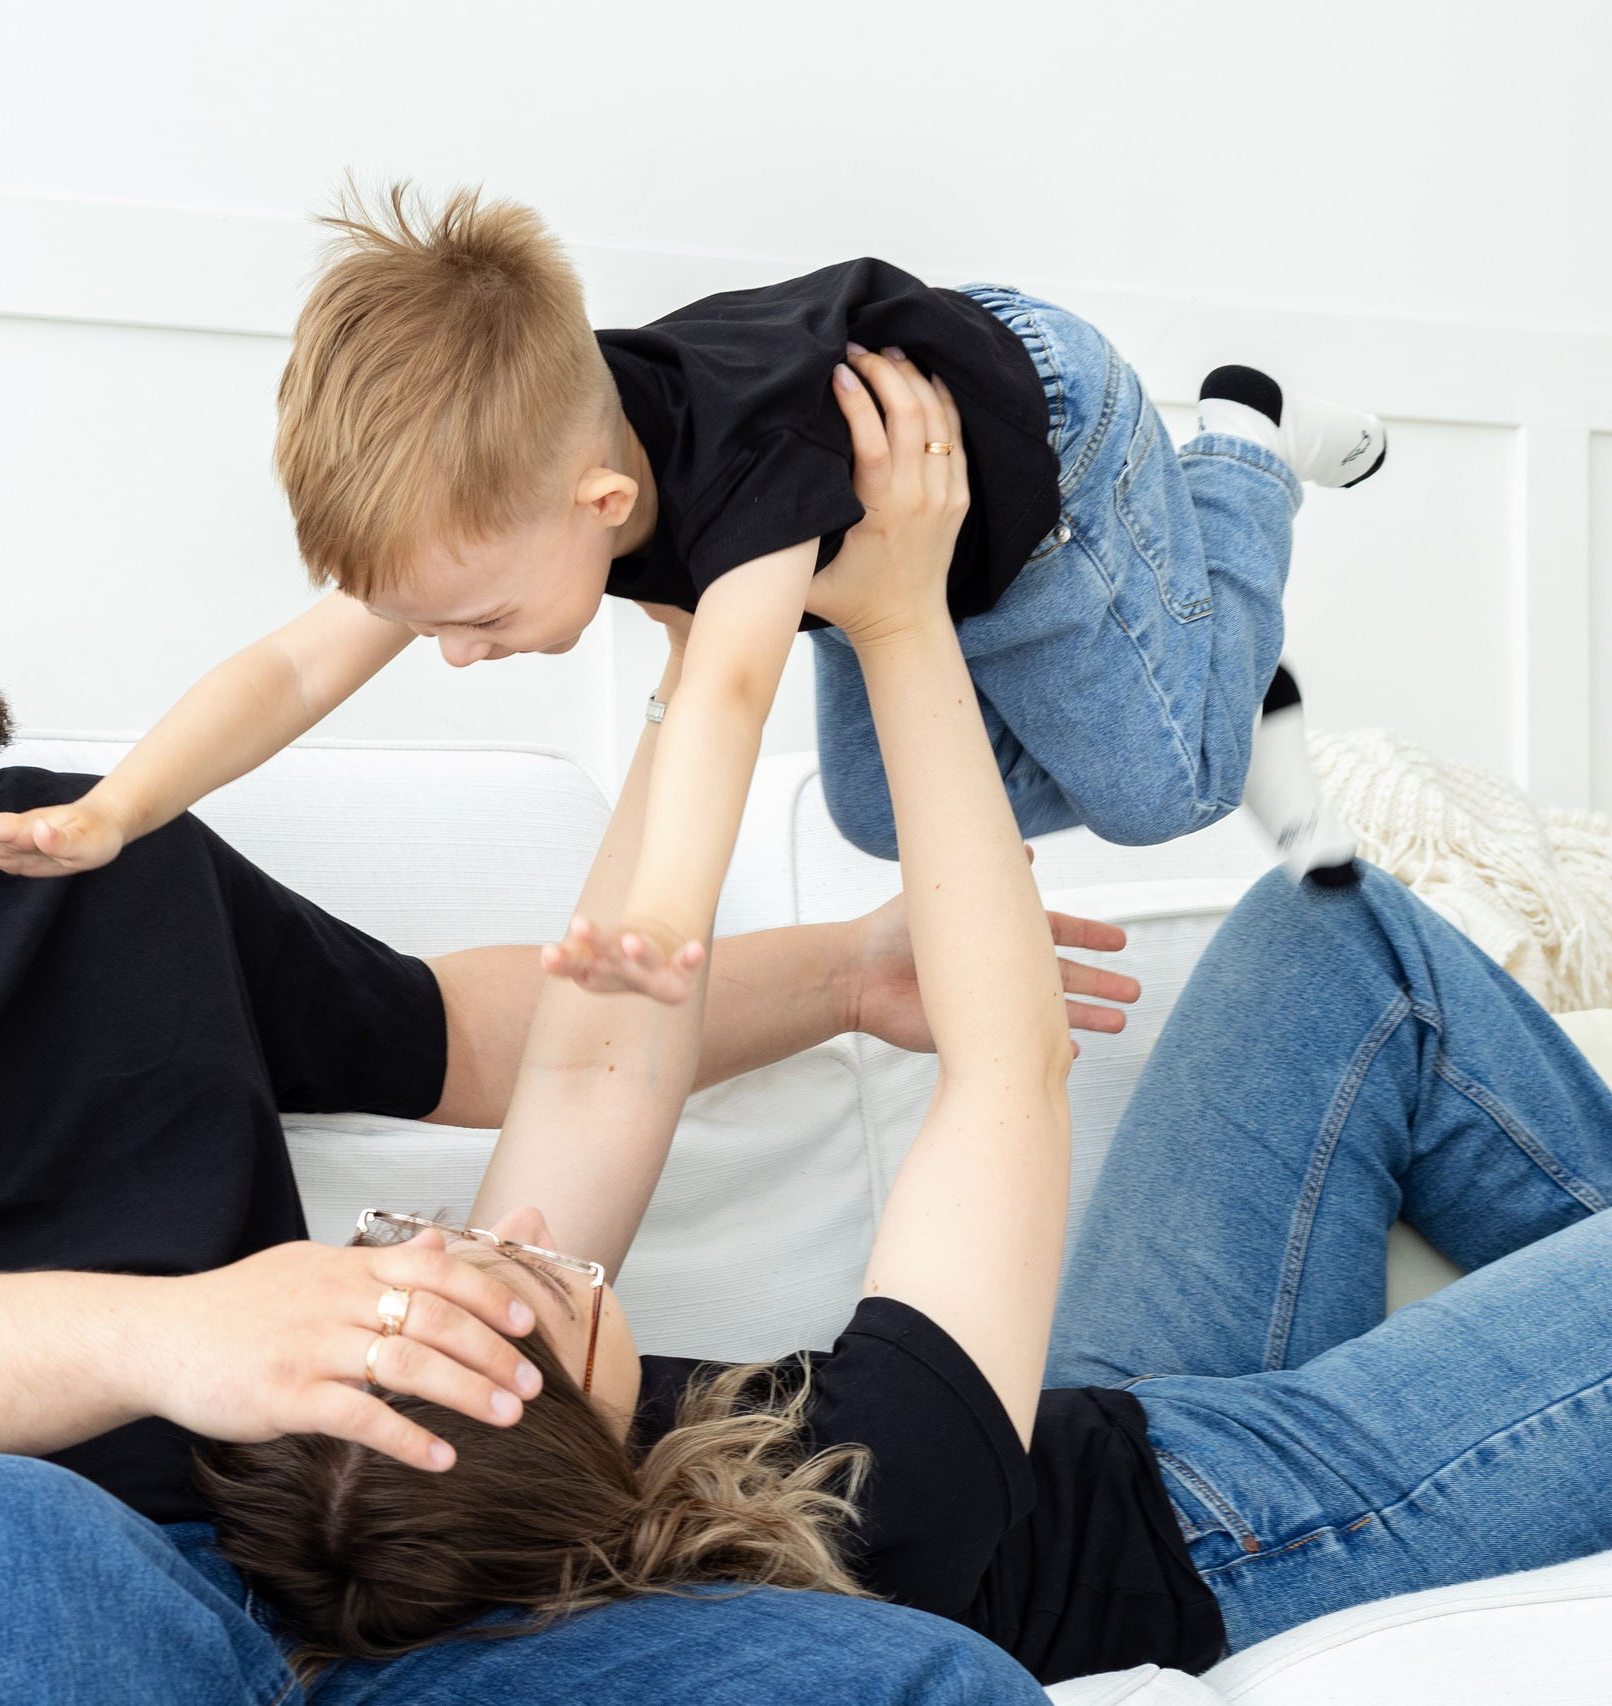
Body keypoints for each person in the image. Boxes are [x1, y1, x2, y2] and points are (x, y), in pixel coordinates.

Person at [0, 325, 1129, 1705]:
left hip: (308, 1616)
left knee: (903, 1672)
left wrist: (842, 973)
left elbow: (459, 1033)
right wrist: (171, 1336)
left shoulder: (97, 849)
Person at [197, 351, 1612, 1686]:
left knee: (1335, 929)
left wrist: (690, 661)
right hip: (1260, 1521)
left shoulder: (510, 1437)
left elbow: (597, 1047)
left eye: (406, 1245)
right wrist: (899, 616)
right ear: (564, 1430)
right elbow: (1008, 1067)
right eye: (507, 1286)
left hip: (1087, 1418)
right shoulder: (882, 1489)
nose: (488, 1236)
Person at [0, 184, 1384, 1012]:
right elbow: (295, 670)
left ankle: (1245, 447)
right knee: (878, 815)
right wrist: (117, 808)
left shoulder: (738, 497)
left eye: (476, 623)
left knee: (1169, 786)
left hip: (1045, 450)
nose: (454, 657)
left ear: (608, 511)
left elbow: (730, 696)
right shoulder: (516, 466)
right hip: (895, 541)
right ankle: (1200, 647)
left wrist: (665, 926)